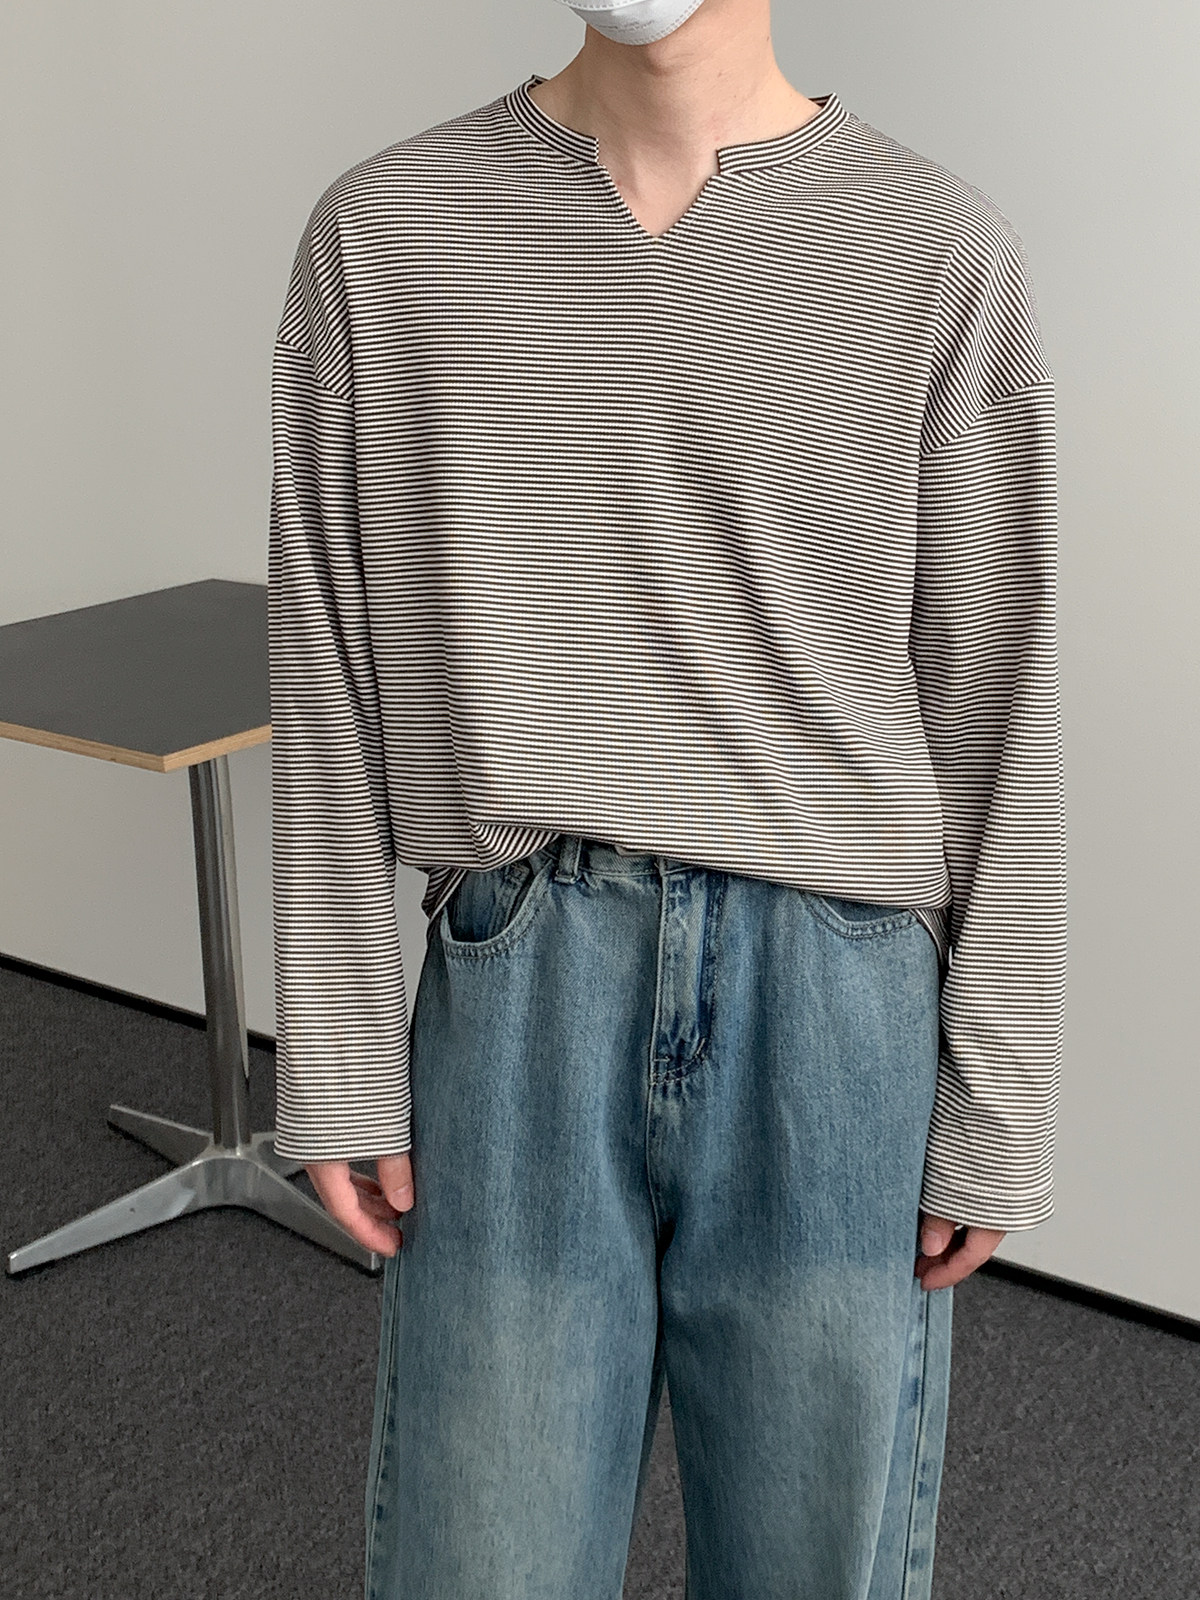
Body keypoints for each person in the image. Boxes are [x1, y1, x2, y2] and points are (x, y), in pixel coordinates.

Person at [266, 0, 1066, 1594]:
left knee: (814, 1566)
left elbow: (994, 695)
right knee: (480, 1561)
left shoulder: (939, 248)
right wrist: (341, 1047)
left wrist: (1001, 1089)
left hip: (836, 1009)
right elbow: (328, 662)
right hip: (522, 981)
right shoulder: (387, 235)